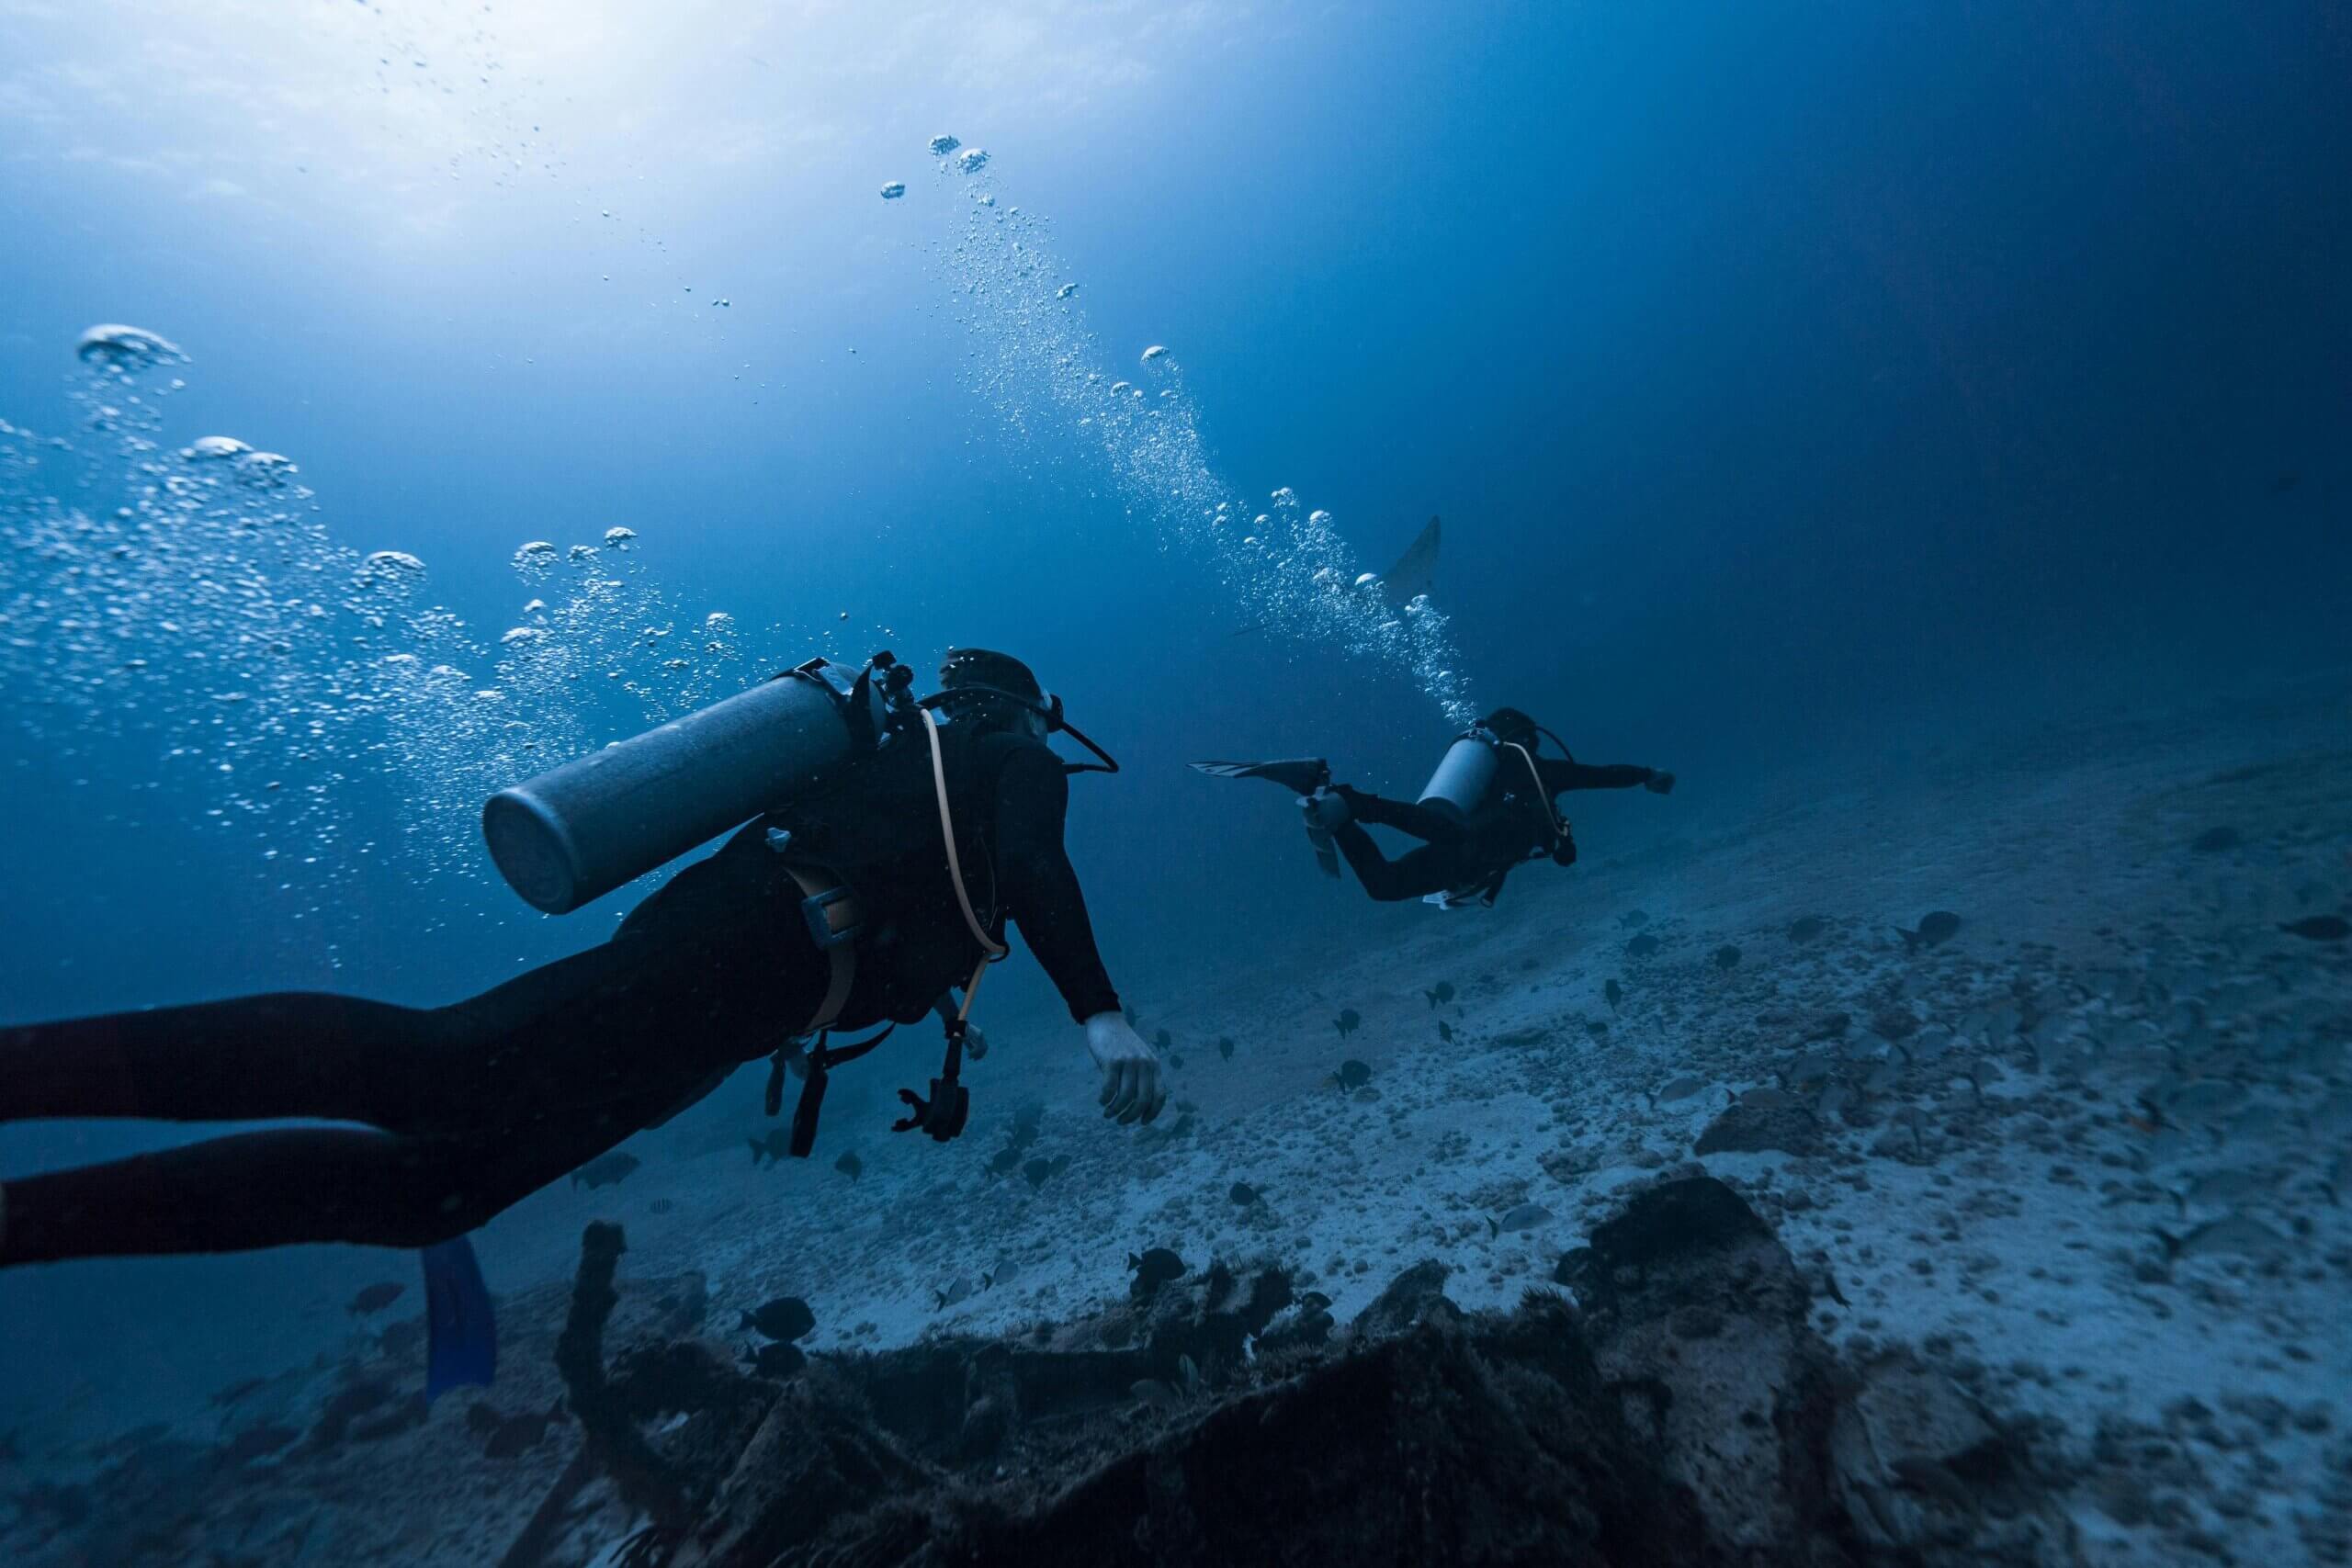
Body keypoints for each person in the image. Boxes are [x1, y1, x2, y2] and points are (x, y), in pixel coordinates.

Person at [0, 649, 1163, 1269]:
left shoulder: (888, 756)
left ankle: (23, 1227)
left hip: (740, 975)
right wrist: (1098, 1012)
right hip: (756, 952)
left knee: (431, 1191)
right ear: (1027, 712)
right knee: (438, 1071)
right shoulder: (1011, 758)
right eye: (1043, 726)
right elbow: (1038, 871)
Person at [1198, 706, 1671, 908]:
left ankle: (1325, 795)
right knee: (1449, 832)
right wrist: (1647, 775)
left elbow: (1601, 783)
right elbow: (1604, 775)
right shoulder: (1540, 770)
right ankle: (1351, 800)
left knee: (1383, 887)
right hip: (1467, 842)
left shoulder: (1508, 770)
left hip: (1463, 854)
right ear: (1526, 739)